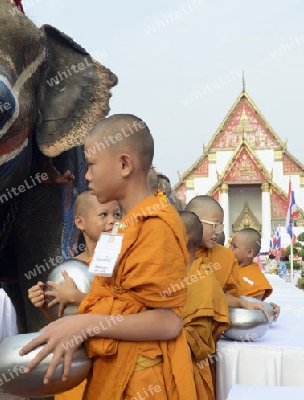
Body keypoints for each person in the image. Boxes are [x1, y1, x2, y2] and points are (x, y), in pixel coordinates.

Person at [21, 114, 197, 399]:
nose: (86, 175)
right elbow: (104, 300)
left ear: (124, 164)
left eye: (91, 165)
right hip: (109, 369)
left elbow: (168, 322)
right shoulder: (121, 230)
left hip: (141, 379)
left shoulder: (156, 225)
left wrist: (83, 324)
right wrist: (65, 316)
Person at [28, 191, 120, 400]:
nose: (112, 221)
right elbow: (64, 321)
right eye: (103, 215)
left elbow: (127, 311)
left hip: (113, 359)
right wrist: (44, 305)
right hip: (79, 363)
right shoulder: (69, 270)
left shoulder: (125, 263)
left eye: (117, 214)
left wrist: (79, 298)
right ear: (80, 222)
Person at [184, 196, 267, 312]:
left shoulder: (225, 256)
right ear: (193, 221)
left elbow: (223, 297)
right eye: (214, 225)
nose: (218, 232)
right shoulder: (171, 251)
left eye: (221, 226)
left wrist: (249, 304)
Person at [179, 211, 229, 400]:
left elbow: (196, 343)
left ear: (182, 238)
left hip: (188, 371)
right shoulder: (160, 275)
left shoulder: (204, 281)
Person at [230, 228, 273, 301]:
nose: (229, 248)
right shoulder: (227, 265)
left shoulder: (257, 280)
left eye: (234, 247)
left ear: (249, 253)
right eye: (230, 244)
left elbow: (253, 306)